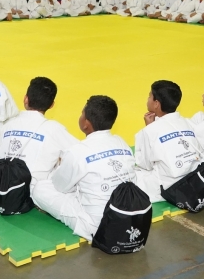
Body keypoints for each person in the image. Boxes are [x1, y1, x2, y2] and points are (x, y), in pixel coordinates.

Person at [31, 95, 136, 241]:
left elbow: (60, 187)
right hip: (129, 215)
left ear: (86, 124)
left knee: (40, 188)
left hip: (96, 224)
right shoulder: (122, 142)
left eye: (82, 114)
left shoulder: (77, 151)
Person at [0, 76, 78, 199]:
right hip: (30, 194)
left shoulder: (7, 125)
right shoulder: (54, 129)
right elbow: (80, 154)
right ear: (52, 105)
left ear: (25, 99)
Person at [133, 80, 204, 202]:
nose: (147, 99)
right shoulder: (188, 122)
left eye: (150, 96)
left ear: (156, 104)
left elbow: (145, 165)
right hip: (193, 178)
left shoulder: (149, 131)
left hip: (169, 187)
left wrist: (149, 127)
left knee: (133, 174)